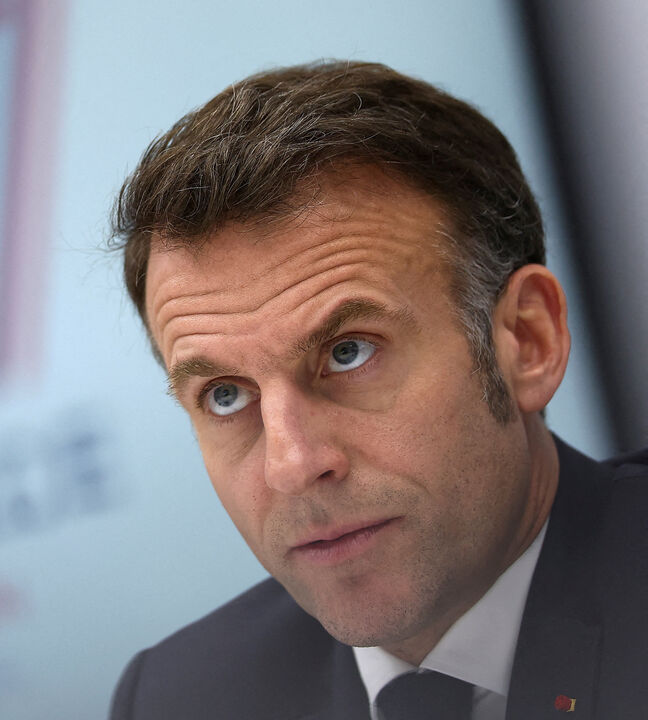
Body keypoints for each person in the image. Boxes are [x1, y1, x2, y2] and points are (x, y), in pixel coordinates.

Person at [107, 60, 648, 720]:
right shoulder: (184, 701)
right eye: (226, 395)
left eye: (347, 353)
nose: (294, 465)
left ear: (527, 342)